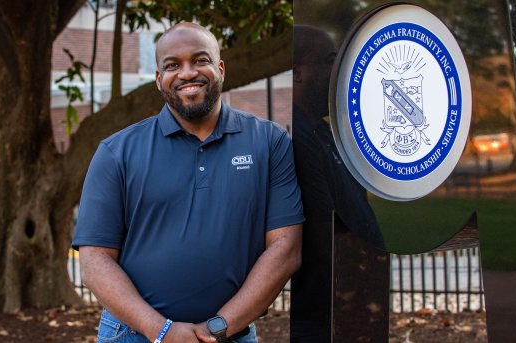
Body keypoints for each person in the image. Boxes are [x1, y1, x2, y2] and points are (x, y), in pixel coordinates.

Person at [72, 22, 304, 343]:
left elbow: (285, 248)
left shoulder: (269, 142)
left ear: (220, 68)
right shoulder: (116, 152)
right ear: (158, 79)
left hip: (231, 334)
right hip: (133, 334)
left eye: (200, 60)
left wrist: (218, 328)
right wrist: (161, 331)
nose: (186, 73)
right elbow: (95, 261)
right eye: (172, 65)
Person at [290, 25, 383, 343]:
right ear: (296, 74)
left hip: (352, 304)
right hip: (322, 317)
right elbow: (323, 225)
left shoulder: (326, 133)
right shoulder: (296, 139)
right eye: (330, 60)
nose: (339, 69)